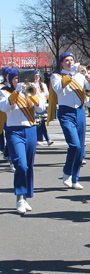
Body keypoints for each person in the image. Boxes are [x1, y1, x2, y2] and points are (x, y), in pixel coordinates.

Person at [48, 52, 90, 189]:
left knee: (81, 148)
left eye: (71, 60)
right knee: (74, 145)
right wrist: (71, 74)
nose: (70, 62)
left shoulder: (80, 76)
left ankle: (75, 178)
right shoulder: (57, 76)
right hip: (66, 112)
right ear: (61, 63)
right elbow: (58, 88)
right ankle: (67, 172)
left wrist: (87, 75)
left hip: (80, 111)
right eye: (66, 61)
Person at [0, 68, 47, 214]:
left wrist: (32, 95)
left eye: (20, 79)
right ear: (11, 80)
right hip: (14, 131)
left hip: (31, 129)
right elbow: (4, 107)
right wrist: (16, 92)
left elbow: (41, 108)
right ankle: (19, 197)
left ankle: (26, 196)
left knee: (29, 165)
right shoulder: (5, 92)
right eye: (16, 79)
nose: (19, 82)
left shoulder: (34, 90)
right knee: (21, 165)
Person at [33, 70, 52, 146]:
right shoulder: (31, 85)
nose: (37, 78)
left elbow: (47, 95)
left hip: (43, 106)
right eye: (35, 76)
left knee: (42, 123)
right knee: (38, 124)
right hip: (35, 107)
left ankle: (45, 139)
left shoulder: (43, 85)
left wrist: (50, 103)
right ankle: (46, 139)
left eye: (38, 76)